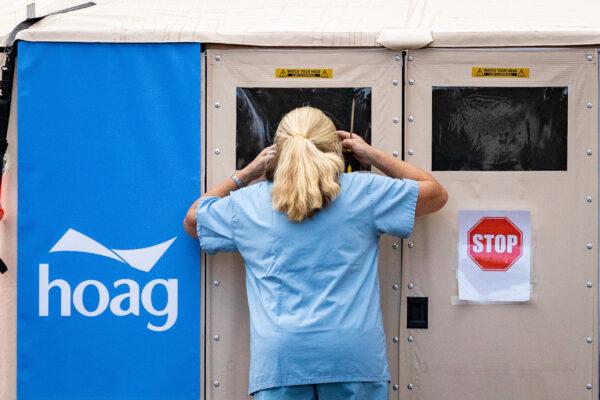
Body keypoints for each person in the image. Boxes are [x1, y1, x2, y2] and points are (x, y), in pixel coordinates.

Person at [183, 106, 448, 399]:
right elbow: (435, 193)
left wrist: (247, 173)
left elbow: (194, 220)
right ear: (334, 149)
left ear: (278, 151)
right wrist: (371, 154)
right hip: (353, 358)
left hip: (281, 362)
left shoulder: (248, 205)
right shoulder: (365, 193)